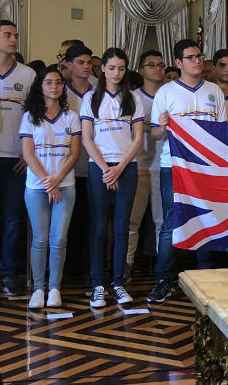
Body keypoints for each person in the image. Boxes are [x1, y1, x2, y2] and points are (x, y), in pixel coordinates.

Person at [147, 40, 225, 304]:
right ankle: (164, 279)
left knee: (208, 219)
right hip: (174, 166)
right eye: (190, 57)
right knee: (172, 222)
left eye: (199, 56)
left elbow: (222, 131)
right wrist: (162, 126)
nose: (197, 61)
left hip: (207, 167)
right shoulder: (166, 92)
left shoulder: (214, 91)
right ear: (179, 63)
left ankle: (206, 278)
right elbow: (156, 134)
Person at [80, 48, 144, 308]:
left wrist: (119, 169)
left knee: (121, 228)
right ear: (103, 69)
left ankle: (118, 282)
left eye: (121, 68)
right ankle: (97, 284)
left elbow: (138, 138)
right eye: (112, 68)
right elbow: (86, 137)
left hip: (127, 167)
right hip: (99, 168)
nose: (116, 73)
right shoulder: (90, 98)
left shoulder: (134, 99)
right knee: (97, 228)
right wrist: (106, 168)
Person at [21, 67, 81, 309]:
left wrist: (57, 180)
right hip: (36, 187)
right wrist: (48, 181)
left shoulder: (71, 116)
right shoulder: (29, 116)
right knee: (40, 239)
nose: (54, 86)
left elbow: (74, 153)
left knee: (59, 239)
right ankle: (38, 288)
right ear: (41, 86)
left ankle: (54, 287)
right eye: (48, 83)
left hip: (65, 185)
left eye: (58, 82)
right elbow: (28, 153)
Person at [0, 20, 36, 297]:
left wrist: (29, 155)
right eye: (7, 35)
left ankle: (8, 273)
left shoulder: (27, 75)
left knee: (13, 219)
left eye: (16, 35)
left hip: (17, 159)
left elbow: (36, 119)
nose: (13, 39)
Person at [126, 50, 165, 282]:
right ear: (141, 70)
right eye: (151, 65)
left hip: (163, 166)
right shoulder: (131, 98)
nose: (157, 69)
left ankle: (163, 269)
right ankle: (126, 265)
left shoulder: (170, 94)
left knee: (162, 221)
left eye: (161, 65)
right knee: (132, 220)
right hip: (137, 165)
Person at [62, 45, 94, 281]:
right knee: (69, 221)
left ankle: (87, 269)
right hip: (67, 167)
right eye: (81, 62)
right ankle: (67, 268)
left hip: (93, 164)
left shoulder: (99, 91)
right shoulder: (60, 91)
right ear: (69, 64)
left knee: (91, 220)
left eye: (89, 62)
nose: (86, 66)